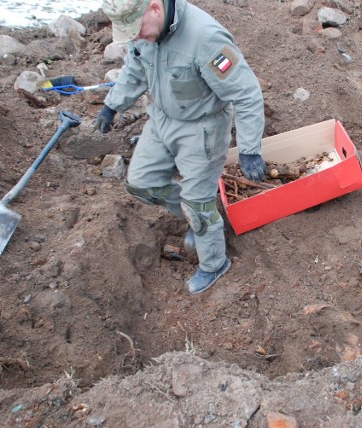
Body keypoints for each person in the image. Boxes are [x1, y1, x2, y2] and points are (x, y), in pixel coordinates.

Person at [96, 0, 267, 294]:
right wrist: (112, 105)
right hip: (161, 118)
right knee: (140, 183)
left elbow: (247, 94)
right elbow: (135, 66)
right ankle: (200, 217)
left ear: (154, 8)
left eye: (137, 30)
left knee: (197, 204)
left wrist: (250, 148)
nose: (136, 36)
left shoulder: (205, 38)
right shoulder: (145, 33)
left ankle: (214, 263)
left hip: (202, 129)